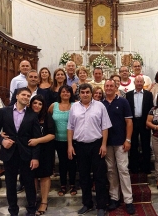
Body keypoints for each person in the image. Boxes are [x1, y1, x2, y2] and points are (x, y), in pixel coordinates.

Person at [0, 87, 41, 216]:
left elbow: (36, 138)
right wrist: (2, 141)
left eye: (28, 95)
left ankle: (31, 209)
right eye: (23, 94)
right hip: (9, 154)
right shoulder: (4, 112)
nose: (26, 97)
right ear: (17, 96)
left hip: (26, 154)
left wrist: (35, 158)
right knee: (10, 184)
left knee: (29, 184)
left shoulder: (32, 114)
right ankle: (13, 210)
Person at [67, 83, 112, 216]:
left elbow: (105, 127)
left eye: (87, 92)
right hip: (79, 146)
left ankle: (101, 205)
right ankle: (87, 203)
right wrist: (70, 145)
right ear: (79, 93)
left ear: (91, 93)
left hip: (96, 145)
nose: (85, 94)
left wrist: (104, 144)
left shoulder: (100, 106)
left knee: (99, 176)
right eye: (83, 92)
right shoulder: (74, 107)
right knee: (84, 176)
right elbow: (70, 127)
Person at [102, 79, 135, 215]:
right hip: (107, 143)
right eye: (107, 86)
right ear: (104, 88)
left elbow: (129, 122)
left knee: (123, 170)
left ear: (116, 87)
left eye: (111, 86)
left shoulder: (123, 101)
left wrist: (128, 139)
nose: (109, 88)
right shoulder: (100, 104)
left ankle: (128, 200)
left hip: (121, 142)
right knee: (110, 170)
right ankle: (114, 198)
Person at [28, 95, 55, 215]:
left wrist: (37, 140)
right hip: (30, 150)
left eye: (40, 104)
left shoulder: (47, 117)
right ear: (31, 104)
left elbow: (52, 135)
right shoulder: (26, 116)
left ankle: (44, 202)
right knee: (32, 175)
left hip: (45, 150)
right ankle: (33, 201)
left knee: (44, 175)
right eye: (35, 103)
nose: (37, 106)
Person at [48, 85, 77, 197]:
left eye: (68, 92)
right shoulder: (53, 106)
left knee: (72, 162)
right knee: (62, 162)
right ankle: (63, 184)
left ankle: (73, 184)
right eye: (63, 92)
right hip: (58, 139)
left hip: (73, 140)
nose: (65, 94)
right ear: (59, 94)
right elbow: (47, 120)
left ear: (71, 94)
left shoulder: (76, 105)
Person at [126, 75, 153, 174]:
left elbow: (151, 109)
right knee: (133, 145)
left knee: (145, 145)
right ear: (134, 83)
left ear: (143, 83)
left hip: (144, 122)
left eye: (141, 82)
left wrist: (148, 122)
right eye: (137, 82)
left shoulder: (148, 94)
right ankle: (134, 167)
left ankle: (146, 167)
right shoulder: (128, 95)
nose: (139, 83)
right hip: (132, 122)